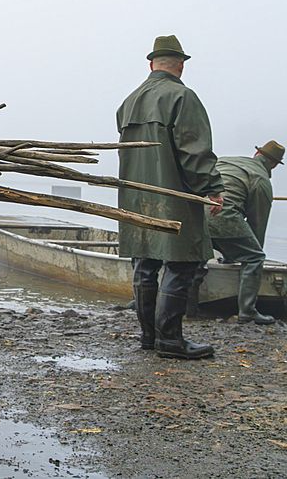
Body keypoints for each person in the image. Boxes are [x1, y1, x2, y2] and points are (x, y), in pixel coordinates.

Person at [116, 35, 224, 360]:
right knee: (182, 262)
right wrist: (212, 188)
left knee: (145, 262)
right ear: (180, 66)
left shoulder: (129, 101)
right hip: (175, 195)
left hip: (137, 197)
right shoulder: (182, 96)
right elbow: (195, 151)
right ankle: (171, 341)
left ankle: (149, 339)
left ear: (151, 64)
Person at [206, 141, 286, 325]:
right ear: (273, 165)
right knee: (254, 257)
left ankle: (189, 310)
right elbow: (257, 223)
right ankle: (247, 312)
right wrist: (253, 250)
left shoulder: (227, 161)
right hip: (222, 213)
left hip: (197, 209)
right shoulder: (261, 179)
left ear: (257, 154)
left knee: (197, 258)